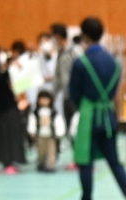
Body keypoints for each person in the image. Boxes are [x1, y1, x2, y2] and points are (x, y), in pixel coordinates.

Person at [69, 17, 126, 200]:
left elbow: (74, 93)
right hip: (108, 116)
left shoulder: (81, 62)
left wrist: (84, 107)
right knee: (114, 160)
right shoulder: (114, 62)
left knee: (85, 160)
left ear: (84, 35)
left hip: (88, 116)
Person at [0, 45, 26, 174]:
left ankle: (11, 161)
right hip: (5, 108)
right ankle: (8, 161)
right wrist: (10, 66)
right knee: (7, 135)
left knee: (10, 134)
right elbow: (3, 79)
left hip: (7, 106)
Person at [51, 23, 78, 156]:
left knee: (76, 127)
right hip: (66, 96)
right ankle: (76, 156)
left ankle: (81, 157)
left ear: (59, 36)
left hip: (77, 96)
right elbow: (57, 77)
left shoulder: (75, 51)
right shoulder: (60, 54)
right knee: (69, 126)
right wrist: (52, 95)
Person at [27, 89, 65, 172]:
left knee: (52, 151)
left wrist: (59, 132)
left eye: (46, 99)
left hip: (51, 135)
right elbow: (32, 122)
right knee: (41, 151)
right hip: (40, 135)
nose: (44, 101)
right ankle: (41, 163)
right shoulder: (35, 113)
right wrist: (32, 131)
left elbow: (58, 122)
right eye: (42, 99)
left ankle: (51, 165)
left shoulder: (53, 112)